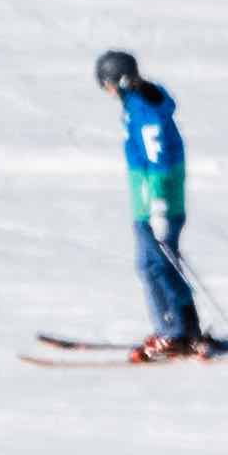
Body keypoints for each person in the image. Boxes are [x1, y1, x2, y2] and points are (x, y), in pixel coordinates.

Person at [96, 47, 210, 357]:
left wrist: (158, 206)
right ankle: (188, 329)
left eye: (106, 83)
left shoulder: (145, 112)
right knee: (164, 265)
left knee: (152, 268)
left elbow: (158, 159)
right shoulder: (140, 103)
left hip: (157, 201)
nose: (105, 90)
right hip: (152, 198)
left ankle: (170, 333)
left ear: (118, 81)